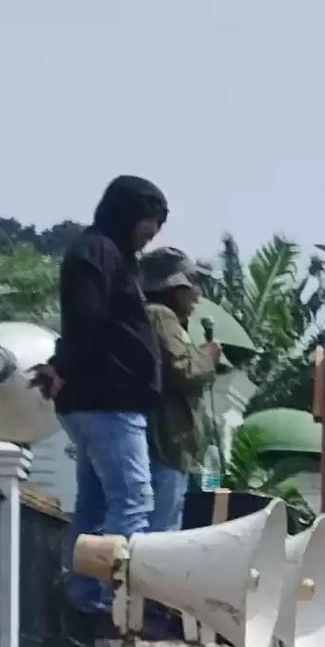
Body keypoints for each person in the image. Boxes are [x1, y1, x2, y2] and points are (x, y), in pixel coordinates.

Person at [49, 174, 171, 619]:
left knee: (97, 505)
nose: (152, 231)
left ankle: (86, 596)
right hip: (107, 401)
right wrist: (62, 366)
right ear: (127, 213)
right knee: (134, 501)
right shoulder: (98, 253)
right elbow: (86, 320)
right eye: (148, 220)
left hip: (103, 401)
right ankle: (112, 600)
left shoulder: (107, 253)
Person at [136, 250, 222, 531]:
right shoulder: (160, 315)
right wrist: (207, 358)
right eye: (194, 283)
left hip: (168, 446)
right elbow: (182, 370)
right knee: (160, 534)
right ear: (175, 287)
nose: (198, 294)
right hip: (165, 443)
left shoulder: (158, 317)